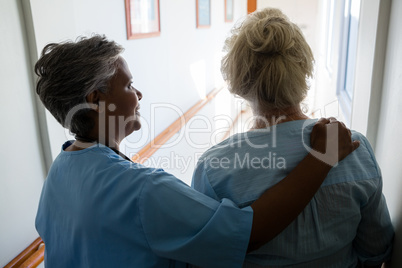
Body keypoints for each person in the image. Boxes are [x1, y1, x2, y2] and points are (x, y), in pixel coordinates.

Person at [34, 34, 358, 268]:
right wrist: (321, 157)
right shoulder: (143, 191)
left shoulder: (60, 169)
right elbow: (248, 234)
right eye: (129, 85)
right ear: (96, 99)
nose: (139, 93)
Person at [192, 8, 394, 268]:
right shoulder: (354, 148)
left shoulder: (213, 169)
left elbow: (207, 257)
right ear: (304, 70)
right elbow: (376, 251)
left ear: (238, 82)